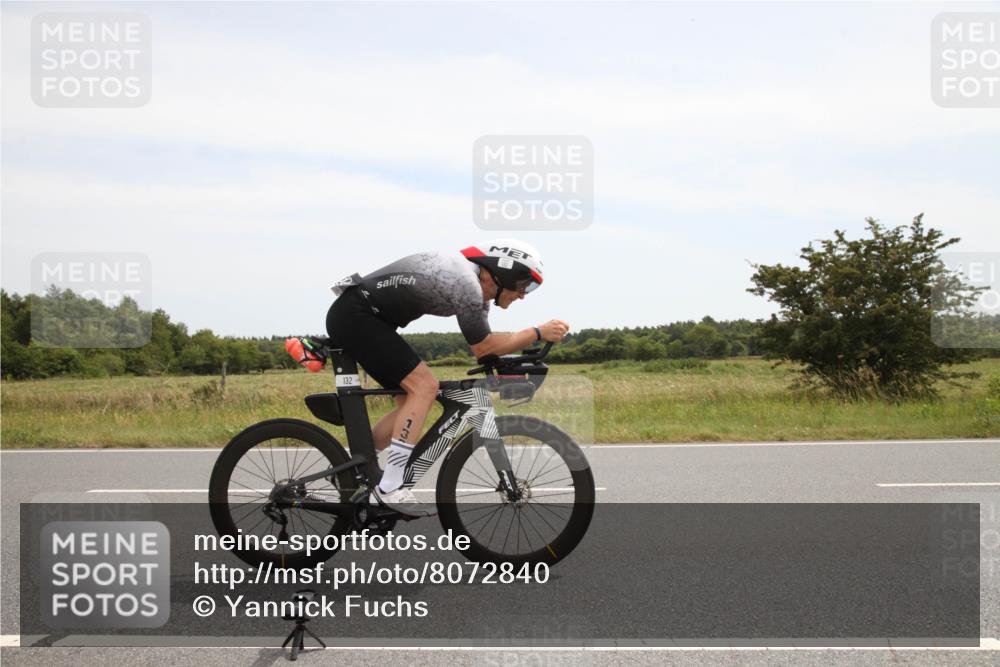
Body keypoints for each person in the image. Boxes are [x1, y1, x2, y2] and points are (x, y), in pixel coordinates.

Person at [325, 239, 569, 517]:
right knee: (424, 387)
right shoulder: (465, 284)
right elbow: (484, 347)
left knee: (410, 402)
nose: (523, 295)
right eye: (524, 284)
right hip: (357, 316)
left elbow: (485, 349)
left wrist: (514, 362)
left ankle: (349, 472)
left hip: (365, 318)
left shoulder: (476, 293)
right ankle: (389, 488)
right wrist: (537, 332)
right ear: (504, 272)